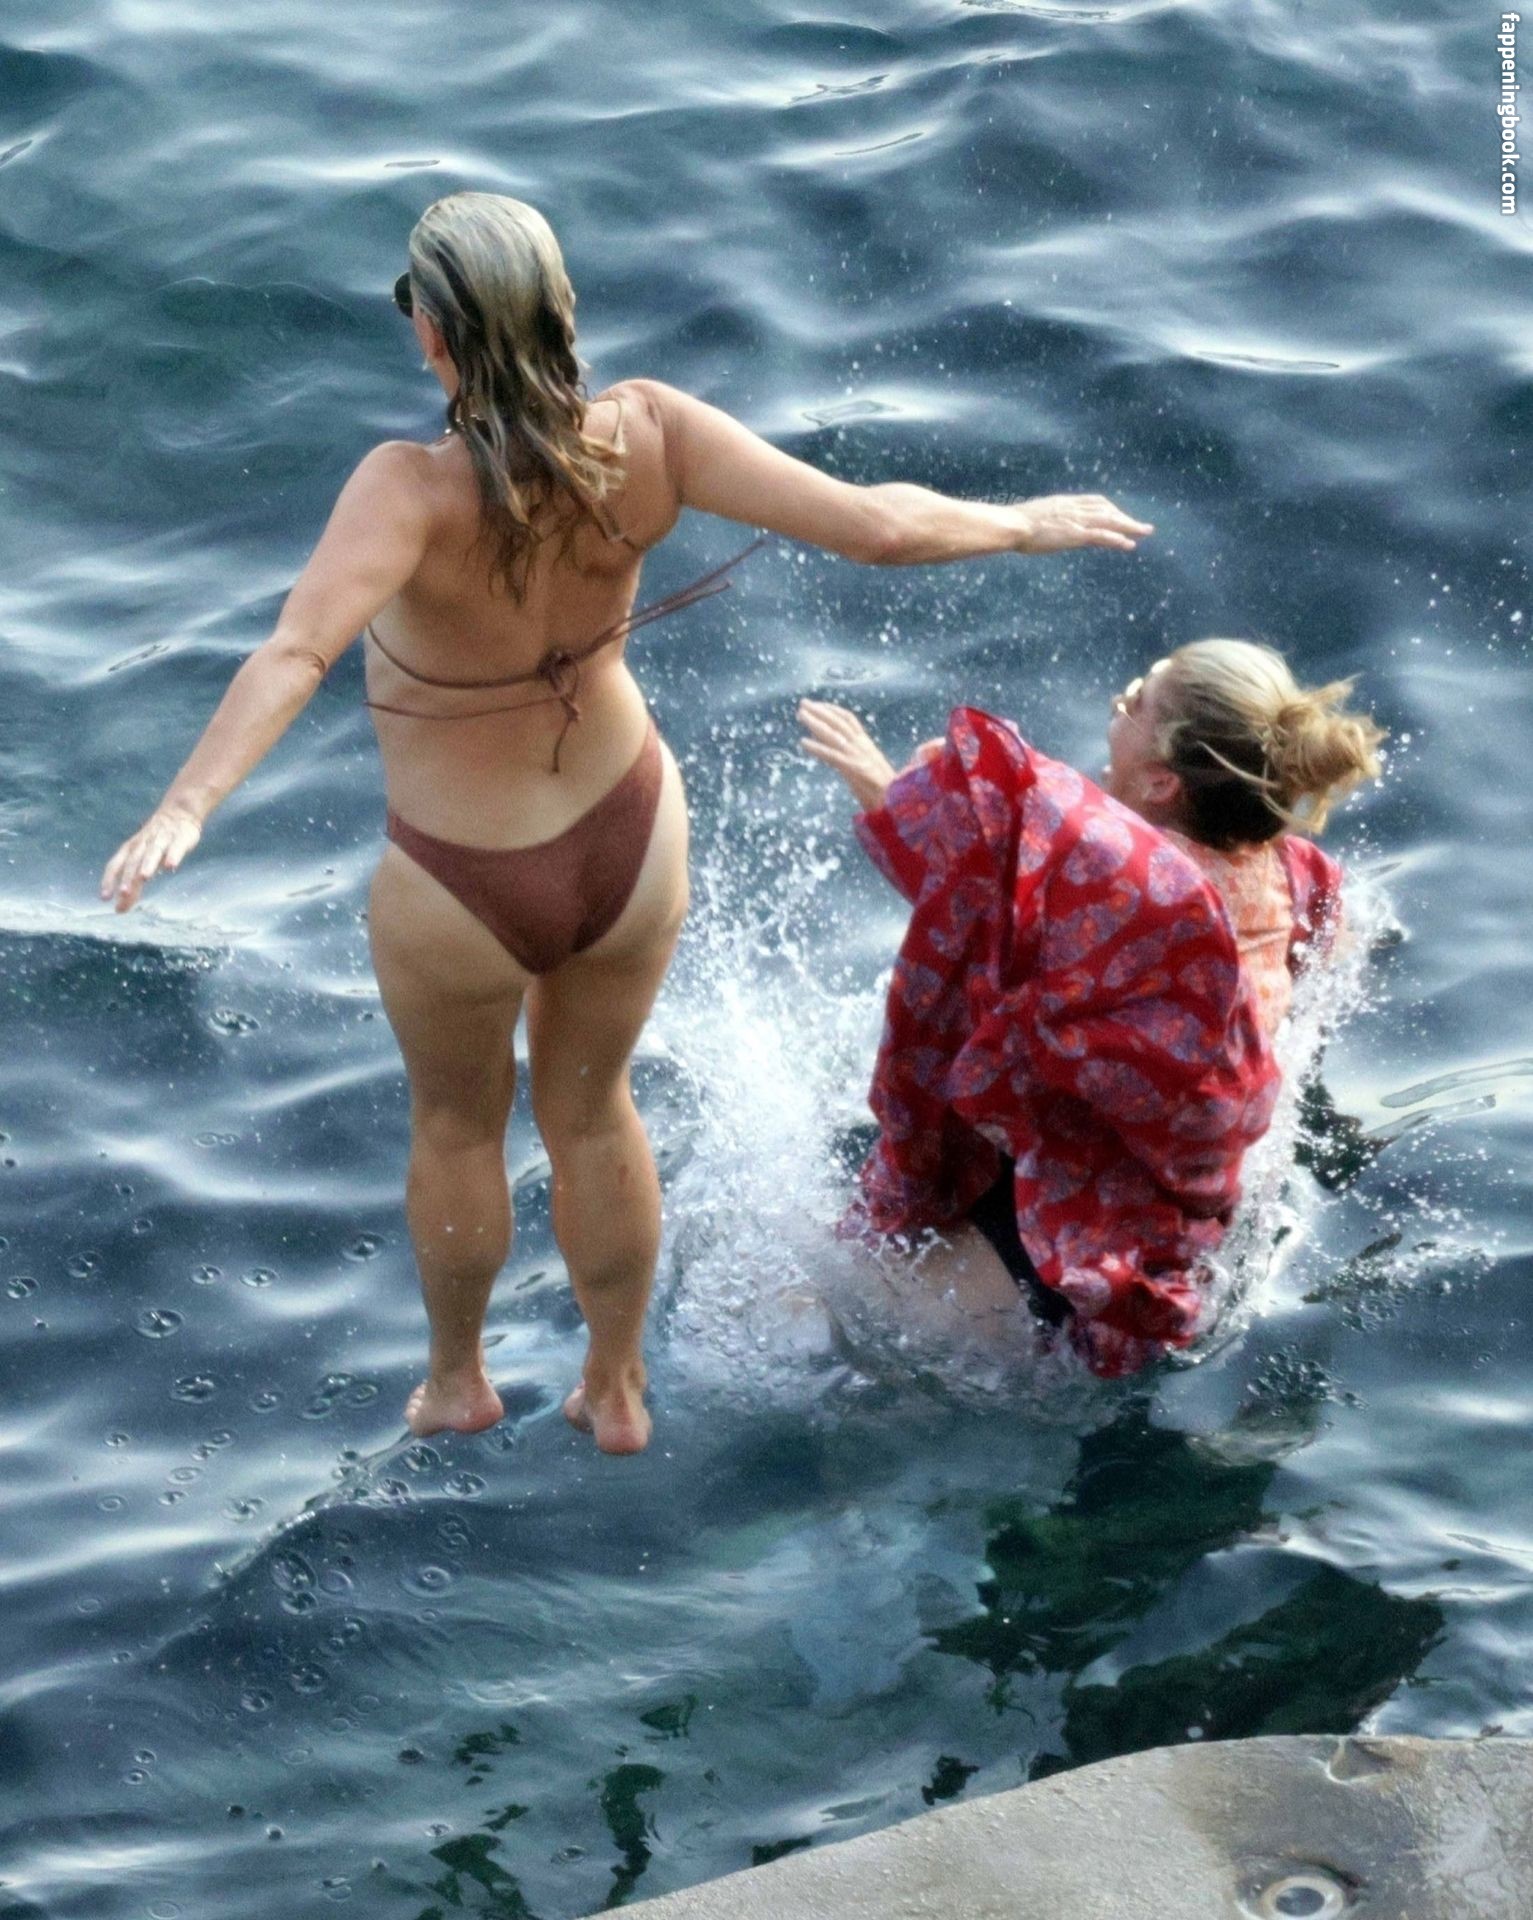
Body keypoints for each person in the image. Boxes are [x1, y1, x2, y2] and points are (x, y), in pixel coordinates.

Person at [98, 190, 1153, 1452]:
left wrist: (189, 803)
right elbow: (872, 525)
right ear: (565, 311)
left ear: (430, 332)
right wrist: (1021, 524)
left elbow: (295, 652)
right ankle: (615, 1386)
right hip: (629, 834)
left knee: (458, 1126)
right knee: (594, 1113)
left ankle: (457, 1381)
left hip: (462, 879)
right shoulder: (649, 433)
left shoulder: (406, 492)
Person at [799, 639, 1384, 1377]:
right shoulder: (1292, 873)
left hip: (1041, 1244)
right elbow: (1334, 948)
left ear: (1162, 779)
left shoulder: (1129, 897)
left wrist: (886, 789)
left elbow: (973, 911)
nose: (1117, 704)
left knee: (785, 1308)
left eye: (1135, 700)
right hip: (1164, 1250)